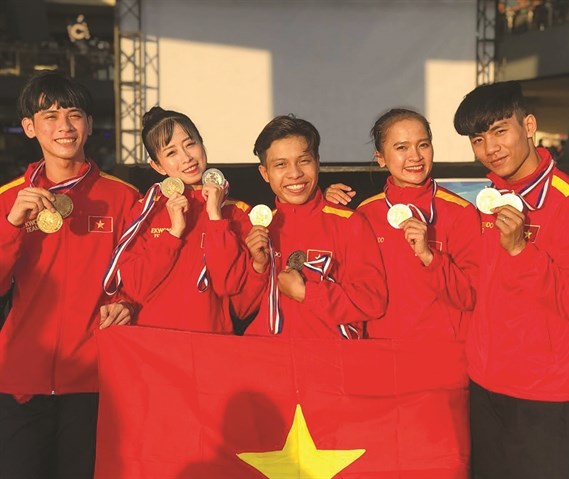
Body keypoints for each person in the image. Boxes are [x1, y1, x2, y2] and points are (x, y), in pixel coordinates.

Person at [453, 80, 569, 479]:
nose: (491, 148)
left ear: (529, 125)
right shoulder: (489, 200)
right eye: (478, 139)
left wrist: (522, 249)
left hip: (543, 391)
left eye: (500, 131)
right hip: (486, 382)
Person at [0, 72, 140, 478]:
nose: (64, 126)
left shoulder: (124, 198)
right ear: (29, 127)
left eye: (74, 114)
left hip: (93, 379)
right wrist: (11, 224)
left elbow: (139, 276)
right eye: (50, 115)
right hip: (20, 377)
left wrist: (126, 303)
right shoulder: (8, 198)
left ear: (89, 125)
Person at [326, 108, 480, 340]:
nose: (415, 156)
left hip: (443, 352)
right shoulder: (364, 214)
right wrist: (325, 209)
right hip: (380, 350)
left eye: (423, 145)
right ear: (380, 158)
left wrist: (429, 257)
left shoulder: (461, 212)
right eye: (401, 147)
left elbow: (470, 297)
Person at [104, 106, 256, 333]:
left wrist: (215, 218)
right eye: (171, 152)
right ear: (157, 165)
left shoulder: (236, 212)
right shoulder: (147, 210)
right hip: (152, 343)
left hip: (209, 344)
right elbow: (135, 287)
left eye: (190, 144)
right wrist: (173, 233)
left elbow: (229, 284)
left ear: (202, 143)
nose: (186, 158)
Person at [242, 114, 387, 338]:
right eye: (280, 165)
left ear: (318, 162)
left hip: (329, 361)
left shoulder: (349, 223)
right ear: (265, 173)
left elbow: (372, 302)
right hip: (269, 360)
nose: (295, 173)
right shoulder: (257, 229)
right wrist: (258, 268)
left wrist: (306, 293)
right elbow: (241, 309)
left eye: (304, 161)